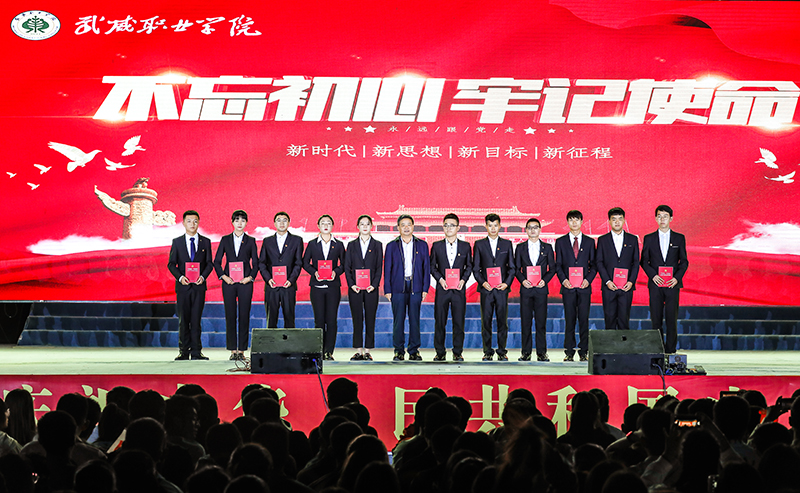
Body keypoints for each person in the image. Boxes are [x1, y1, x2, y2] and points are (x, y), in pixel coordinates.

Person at [640, 205, 688, 354]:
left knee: (671, 318)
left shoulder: (679, 238)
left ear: (671, 218)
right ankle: (658, 349)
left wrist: (677, 278)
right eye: (659, 216)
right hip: (656, 284)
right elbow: (644, 261)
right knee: (656, 318)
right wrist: (653, 275)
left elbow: (684, 262)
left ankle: (671, 350)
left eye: (665, 216)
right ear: (656, 218)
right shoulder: (649, 238)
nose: (662, 219)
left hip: (672, 285)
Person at [213, 210, 259, 360]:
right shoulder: (225, 240)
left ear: (246, 223)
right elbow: (217, 261)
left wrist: (250, 277)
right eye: (237, 220)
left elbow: (256, 263)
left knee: (244, 315)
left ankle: (242, 351)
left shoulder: (251, 241)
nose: (240, 223)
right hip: (229, 282)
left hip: (245, 283)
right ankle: (233, 350)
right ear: (232, 222)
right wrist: (224, 276)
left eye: (243, 220)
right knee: (230, 315)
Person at [384, 214, 430, 361]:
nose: (406, 227)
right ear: (398, 227)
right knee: (398, 320)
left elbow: (426, 268)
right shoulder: (392, 246)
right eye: (403, 225)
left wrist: (425, 288)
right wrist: (387, 289)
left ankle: (414, 350)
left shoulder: (421, 245)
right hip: (398, 287)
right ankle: (398, 351)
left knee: (414, 320)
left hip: (416, 286)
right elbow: (387, 269)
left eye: (409, 224)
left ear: (413, 226)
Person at [168, 210, 213, 360]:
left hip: (199, 287)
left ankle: (196, 352)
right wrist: (180, 277)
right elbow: (171, 264)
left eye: (195, 221)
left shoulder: (205, 242)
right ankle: (183, 351)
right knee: (184, 320)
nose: (192, 224)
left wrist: (203, 276)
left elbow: (209, 263)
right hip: (183, 287)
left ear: (198, 223)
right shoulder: (177, 242)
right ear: (183, 223)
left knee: (196, 320)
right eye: (189, 221)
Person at [429, 213, 473, 362]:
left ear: (458, 228)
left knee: (458, 322)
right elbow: (432, 267)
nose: (449, 228)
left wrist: (463, 280)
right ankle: (440, 352)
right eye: (446, 225)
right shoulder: (437, 246)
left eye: (452, 225)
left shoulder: (466, 246)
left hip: (459, 290)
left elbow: (469, 266)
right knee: (440, 322)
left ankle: (457, 352)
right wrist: (440, 279)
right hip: (442, 289)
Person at [472, 213, 515, 361]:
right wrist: (483, 282)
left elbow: (512, 268)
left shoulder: (507, 244)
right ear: (486, 226)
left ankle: (502, 351)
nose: (493, 228)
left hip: (502, 290)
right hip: (486, 289)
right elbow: (476, 269)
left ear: (500, 226)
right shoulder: (479, 244)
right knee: (486, 321)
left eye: (495, 225)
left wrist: (506, 283)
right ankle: (487, 352)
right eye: (490, 225)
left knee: (502, 321)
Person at [302, 215, 346, 360]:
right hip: (317, 286)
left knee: (331, 320)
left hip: (333, 286)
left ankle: (329, 351)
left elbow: (344, 264)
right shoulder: (312, 244)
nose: (326, 225)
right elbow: (305, 262)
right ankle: (319, 351)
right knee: (319, 320)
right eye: (323, 223)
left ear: (332, 226)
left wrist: (336, 272)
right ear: (318, 226)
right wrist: (314, 272)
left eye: (328, 223)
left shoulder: (338, 244)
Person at [555, 210, 596, 362]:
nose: (574, 222)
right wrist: (563, 280)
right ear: (567, 222)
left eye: (577, 219)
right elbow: (558, 265)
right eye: (571, 220)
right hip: (568, 287)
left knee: (584, 320)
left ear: (581, 221)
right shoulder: (561, 242)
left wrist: (588, 280)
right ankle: (569, 352)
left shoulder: (589, 242)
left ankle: (584, 351)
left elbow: (594, 265)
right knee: (570, 319)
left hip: (584, 288)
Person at [514, 217, 555, 361]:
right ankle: (526, 353)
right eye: (530, 228)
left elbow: (552, 268)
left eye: (535, 227)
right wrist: (522, 280)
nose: (533, 230)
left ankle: (541, 353)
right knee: (526, 323)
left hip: (541, 290)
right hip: (526, 290)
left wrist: (545, 280)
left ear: (540, 230)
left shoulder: (547, 248)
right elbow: (516, 268)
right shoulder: (520, 248)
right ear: (526, 230)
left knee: (541, 323)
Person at [344, 215, 383, 361]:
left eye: (367, 224)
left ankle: (367, 351)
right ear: (357, 227)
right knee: (357, 318)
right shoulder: (351, 245)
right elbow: (347, 267)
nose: (365, 226)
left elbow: (379, 267)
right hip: (355, 288)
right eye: (362, 224)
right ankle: (358, 350)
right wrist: (351, 284)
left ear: (371, 226)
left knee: (370, 318)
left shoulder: (377, 245)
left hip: (371, 289)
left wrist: (374, 284)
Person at [595, 207, 640, 331]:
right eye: (614, 219)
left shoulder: (632, 239)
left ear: (624, 220)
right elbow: (599, 262)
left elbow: (636, 262)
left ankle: (623, 344)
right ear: (609, 221)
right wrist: (607, 281)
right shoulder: (602, 240)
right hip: (609, 287)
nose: (617, 222)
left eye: (620, 219)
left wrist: (631, 281)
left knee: (624, 320)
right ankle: (610, 344)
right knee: (609, 320)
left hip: (626, 287)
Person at [259, 211, 304, 328]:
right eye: (279, 220)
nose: (282, 223)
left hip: (288, 286)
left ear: (289, 223)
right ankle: (271, 340)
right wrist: (268, 279)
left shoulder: (297, 240)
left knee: (289, 320)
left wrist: (291, 280)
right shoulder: (267, 241)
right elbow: (262, 263)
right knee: (271, 320)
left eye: (285, 220)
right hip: (271, 286)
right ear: (274, 223)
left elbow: (298, 263)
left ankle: (288, 341)